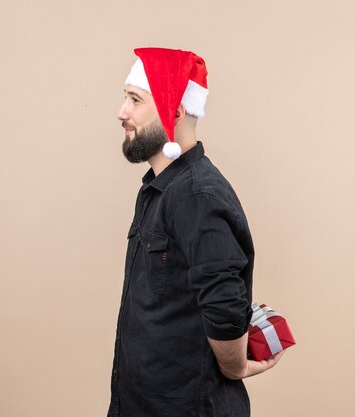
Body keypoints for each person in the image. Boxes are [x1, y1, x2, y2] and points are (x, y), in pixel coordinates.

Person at [107, 47, 283, 417]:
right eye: (125, 97)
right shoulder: (157, 189)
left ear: (175, 109)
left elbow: (224, 303)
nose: (122, 112)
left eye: (135, 99)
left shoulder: (197, 194)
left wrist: (235, 367)